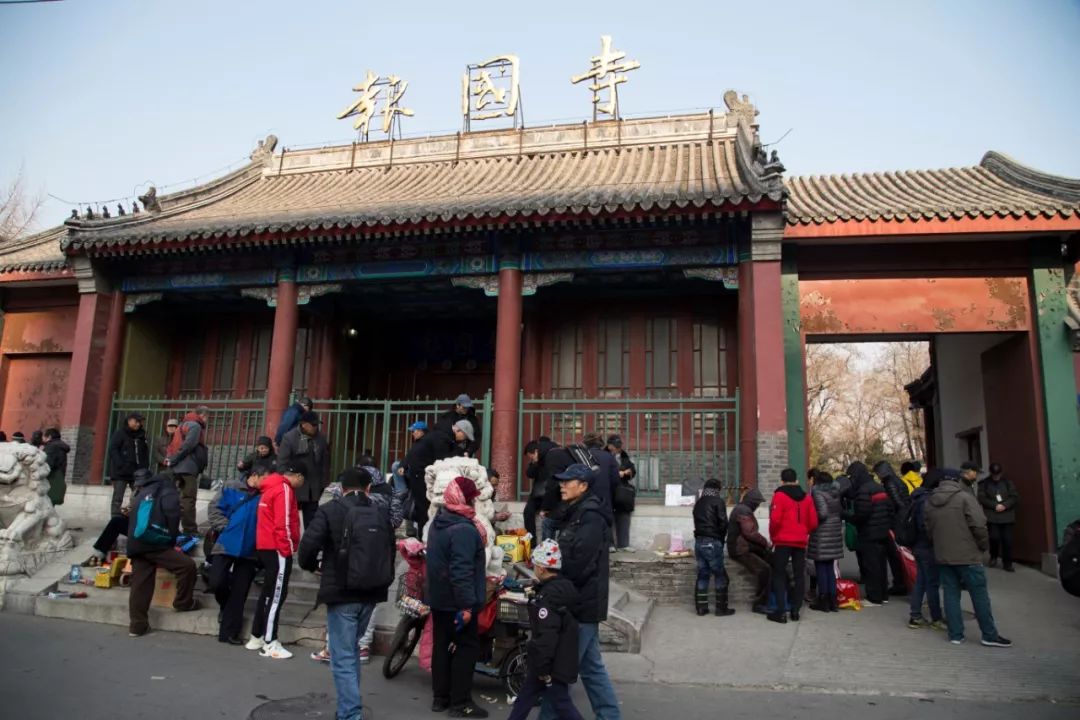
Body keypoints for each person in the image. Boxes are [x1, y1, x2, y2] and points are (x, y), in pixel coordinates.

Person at [299, 466, 396, 720]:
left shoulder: (330, 509)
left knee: (342, 656)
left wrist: (313, 566)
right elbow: (390, 550)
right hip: (372, 593)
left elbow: (307, 546)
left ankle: (350, 714)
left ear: (341, 488)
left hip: (341, 592)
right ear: (368, 488)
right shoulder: (380, 513)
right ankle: (350, 707)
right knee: (351, 650)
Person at [538, 463, 620, 720]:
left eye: (567, 481)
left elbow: (581, 562)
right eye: (561, 481)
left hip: (581, 602)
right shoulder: (575, 512)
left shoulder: (590, 517)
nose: (562, 486)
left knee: (562, 669)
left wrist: (557, 587)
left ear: (583, 486)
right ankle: (610, 715)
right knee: (591, 668)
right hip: (579, 599)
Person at [925, 464, 1012, 648]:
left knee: (950, 594)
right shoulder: (965, 498)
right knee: (979, 595)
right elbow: (979, 525)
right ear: (957, 480)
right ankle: (989, 635)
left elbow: (929, 529)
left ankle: (955, 634)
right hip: (968, 556)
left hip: (943, 555)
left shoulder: (930, 500)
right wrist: (983, 546)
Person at [425, 476, 488, 718]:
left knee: (442, 645)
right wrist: (467, 606)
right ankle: (461, 703)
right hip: (457, 602)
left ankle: (440, 698)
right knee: (466, 648)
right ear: (467, 499)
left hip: (439, 598)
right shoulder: (463, 529)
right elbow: (461, 571)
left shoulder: (439, 521)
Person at [506, 540, 584, 720]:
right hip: (554, 659)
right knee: (525, 697)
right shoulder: (564, 588)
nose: (534, 569)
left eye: (534, 566)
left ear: (541, 569)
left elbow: (547, 635)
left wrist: (543, 668)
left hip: (549, 663)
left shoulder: (548, 598)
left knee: (561, 704)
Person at [126, 471, 199, 637]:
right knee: (187, 566)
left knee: (140, 584)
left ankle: (137, 626)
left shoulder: (144, 490)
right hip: (155, 543)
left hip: (136, 542)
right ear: (176, 482)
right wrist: (172, 540)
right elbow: (172, 516)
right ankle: (183, 602)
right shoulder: (168, 491)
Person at [247, 459, 305, 659]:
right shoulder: (283, 489)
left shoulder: (269, 488)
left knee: (268, 592)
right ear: (298, 476)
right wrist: (287, 549)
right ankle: (270, 642)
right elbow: (284, 523)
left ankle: (257, 635)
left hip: (266, 545)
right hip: (277, 548)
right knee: (276, 595)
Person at [207, 461, 267, 644]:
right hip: (226, 543)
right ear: (254, 476)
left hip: (250, 548)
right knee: (217, 581)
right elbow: (214, 508)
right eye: (264, 478)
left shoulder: (265, 496)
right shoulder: (231, 486)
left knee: (240, 591)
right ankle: (226, 607)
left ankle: (230, 633)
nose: (266, 482)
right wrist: (226, 528)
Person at [767, 468, 819, 623]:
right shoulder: (807, 498)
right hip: (800, 541)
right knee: (799, 576)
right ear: (796, 480)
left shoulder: (779, 496)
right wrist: (803, 531)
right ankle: (795, 611)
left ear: (782, 481)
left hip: (783, 540)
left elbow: (775, 520)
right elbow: (813, 522)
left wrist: (773, 537)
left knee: (779, 574)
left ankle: (781, 611)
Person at [81, 468, 153, 566]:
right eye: (138, 486)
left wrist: (133, 512)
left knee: (119, 522)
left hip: (146, 528)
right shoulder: (137, 492)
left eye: (142, 486)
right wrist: (128, 510)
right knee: (116, 522)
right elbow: (133, 506)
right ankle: (98, 555)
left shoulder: (154, 494)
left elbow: (149, 514)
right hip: (135, 523)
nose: (139, 488)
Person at [844, 461, 893, 606]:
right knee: (881, 565)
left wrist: (847, 516)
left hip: (869, 533)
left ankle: (874, 597)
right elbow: (890, 509)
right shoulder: (879, 487)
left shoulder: (863, 490)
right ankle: (883, 595)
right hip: (883, 532)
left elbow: (862, 514)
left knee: (871, 566)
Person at [277, 410, 329, 528]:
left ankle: (309, 539)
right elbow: (282, 464)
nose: (315, 427)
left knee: (312, 522)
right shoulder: (289, 438)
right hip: (295, 486)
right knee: (290, 521)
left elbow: (325, 462)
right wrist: (286, 482)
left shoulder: (321, 438)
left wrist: (323, 482)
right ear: (304, 424)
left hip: (314, 487)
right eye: (313, 425)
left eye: (317, 424)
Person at [907, 469, 945, 630]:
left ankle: (915, 615)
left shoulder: (918, 496)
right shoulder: (926, 500)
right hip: (926, 546)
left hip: (918, 545)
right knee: (932, 583)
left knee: (921, 581)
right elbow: (925, 526)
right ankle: (936, 618)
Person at [402, 420, 454, 536]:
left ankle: (423, 533)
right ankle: (419, 532)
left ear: (421, 431)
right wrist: (403, 466)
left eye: (414, 431)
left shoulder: (427, 443)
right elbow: (409, 457)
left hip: (422, 479)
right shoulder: (417, 444)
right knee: (417, 506)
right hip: (414, 479)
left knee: (423, 508)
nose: (413, 433)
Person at [692, 478, 735, 617]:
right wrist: (720, 540)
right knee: (720, 575)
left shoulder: (698, 503)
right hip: (712, 541)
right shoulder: (718, 501)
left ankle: (701, 608)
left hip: (699, 542)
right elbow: (723, 523)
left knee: (703, 574)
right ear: (717, 489)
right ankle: (721, 608)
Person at [165, 406, 210, 536]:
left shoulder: (182, 425)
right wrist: (175, 458)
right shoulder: (195, 426)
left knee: (175, 498)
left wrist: (171, 460)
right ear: (203, 415)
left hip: (177, 467)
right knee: (188, 499)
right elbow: (189, 445)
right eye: (207, 417)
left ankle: (170, 526)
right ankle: (189, 530)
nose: (207, 420)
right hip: (188, 467)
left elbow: (173, 445)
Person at [726, 488, 771, 613]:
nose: (758, 506)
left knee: (770, 559)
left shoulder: (743, 508)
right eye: (757, 503)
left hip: (744, 546)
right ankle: (759, 604)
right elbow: (750, 533)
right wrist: (765, 542)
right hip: (739, 549)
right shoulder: (743, 511)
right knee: (765, 570)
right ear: (752, 502)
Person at [808, 470, 843, 612]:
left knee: (821, 567)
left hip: (822, 533)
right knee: (829, 567)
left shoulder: (817, 492)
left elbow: (822, 513)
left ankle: (823, 600)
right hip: (834, 532)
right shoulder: (836, 492)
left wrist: (811, 515)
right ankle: (833, 600)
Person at [872, 460, 910, 595]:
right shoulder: (899, 481)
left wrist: (890, 516)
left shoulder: (889, 483)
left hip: (896, 522)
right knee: (900, 554)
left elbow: (896, 502)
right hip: (903, 520)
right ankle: (903, 582)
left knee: (894, 555)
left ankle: (899, 583)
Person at [976, 462, 1020, 572]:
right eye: (994, 475)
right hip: (992, 515)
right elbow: (981, 498)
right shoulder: (984, 483)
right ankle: (994, 556)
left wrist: (1005, 505)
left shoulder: (1007, 483)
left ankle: (1008, 563)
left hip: (1007, 515)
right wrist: (994, 505)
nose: (996, 477)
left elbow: (1014, 496)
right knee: (994, 538)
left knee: (1008, 540)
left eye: (998, 474)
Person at [108, 412, 150, 517]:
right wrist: (120, 463)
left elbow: (145, 452)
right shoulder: (120, 433)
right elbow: (113, 449)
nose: (138, 424)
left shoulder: (141, 435)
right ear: (129, 421)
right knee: (118, 498)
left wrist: (144, 467)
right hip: (120, 472)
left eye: (140, 422)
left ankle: (133, 517)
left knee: (138, 495)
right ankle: (115, 519)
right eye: (136, 421)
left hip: (137, 472)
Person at [607, 435, 636, 552]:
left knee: (624, 515)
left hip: (622, 490)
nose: (617, 449)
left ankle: (623, 544)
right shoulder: (604, 455)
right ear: (609, 446)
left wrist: (629, 471)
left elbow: (632, 469)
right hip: (608, 489)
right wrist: (616, 473)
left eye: (619, 447)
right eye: (615, 447)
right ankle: (609, 544)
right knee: (607, 516)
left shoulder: (623, 455)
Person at [42, 427, 70, 506]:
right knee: (51, 503)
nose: (42, 438)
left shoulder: (51, 446)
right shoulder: (60, 446)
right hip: (59, 475)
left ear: (49, 437)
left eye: (44, 436)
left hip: (51, 477)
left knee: (47, 502)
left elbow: (48, 464)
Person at [521, 441, 544, 539]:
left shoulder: (550, 459)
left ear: (535, 451)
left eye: (530, 455)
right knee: (528, 511)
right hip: (538, 494)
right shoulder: (534, 462)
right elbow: (530, 474)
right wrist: (535, 462)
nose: (530, 458)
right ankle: (531, 541)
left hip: (549, 493)